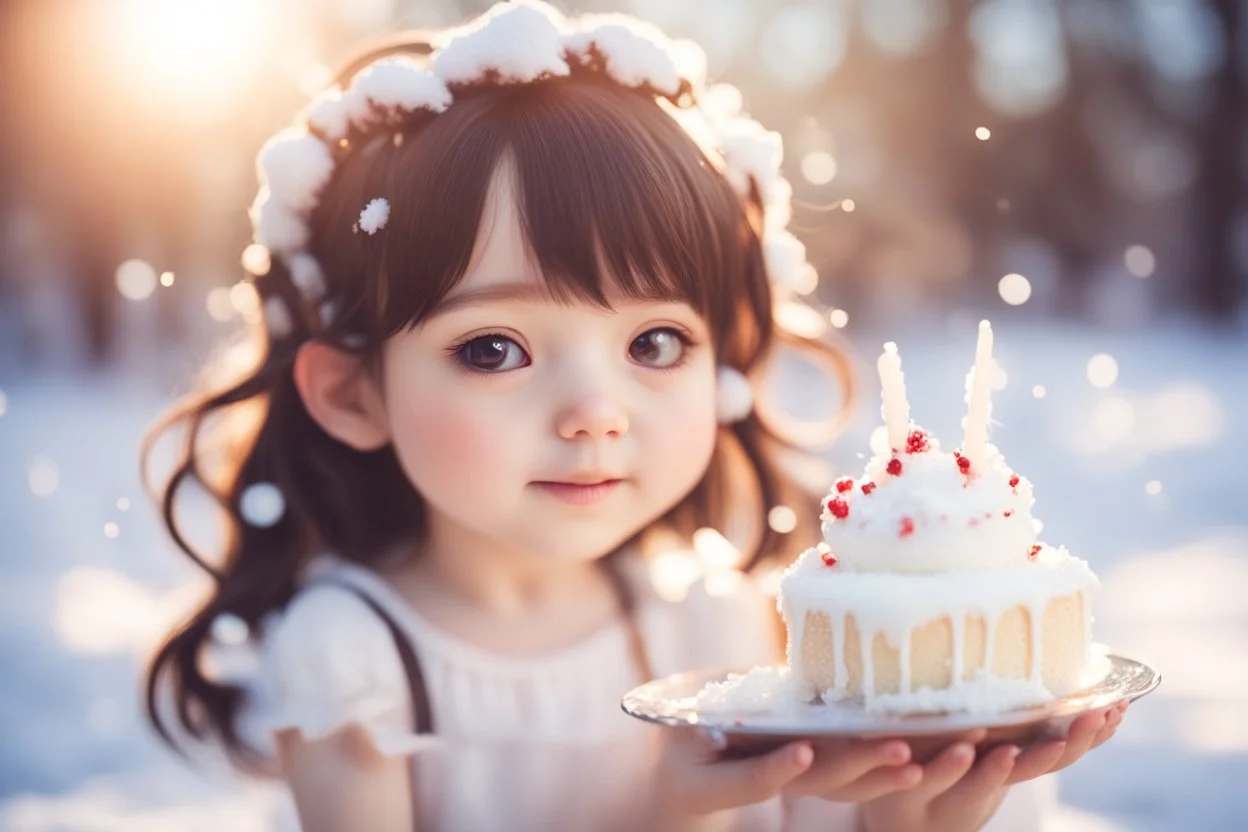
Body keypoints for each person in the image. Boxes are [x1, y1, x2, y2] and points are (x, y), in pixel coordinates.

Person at [140, 3, 1124, 830]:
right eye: (494, 349)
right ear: (354, 395)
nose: (595, 413)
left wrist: (906, 815)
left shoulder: (712, 617)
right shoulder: (355, 656)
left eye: (655, 344)